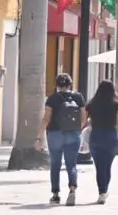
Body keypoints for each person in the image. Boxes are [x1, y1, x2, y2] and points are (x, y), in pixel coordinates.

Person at [36, 73, 86, 205]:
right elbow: (84, 118)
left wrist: (39, 137)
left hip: (55, 134)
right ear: (70, 84)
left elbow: (46, 119)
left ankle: (55, 194)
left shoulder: (52, 99)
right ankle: (72, 190)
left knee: (55, 165)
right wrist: (77, 130)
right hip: (73, 134)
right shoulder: (78, 97)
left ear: (57, 85)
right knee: (71, 164)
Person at [84, 80, 118, 204]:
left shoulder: (92, 103)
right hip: (110, 136)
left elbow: (85, 120)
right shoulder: (114, 104)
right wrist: (117, 95)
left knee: (99, 166)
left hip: (96, 135)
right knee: (107, 165)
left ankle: (102, 192)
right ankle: (104, 190)